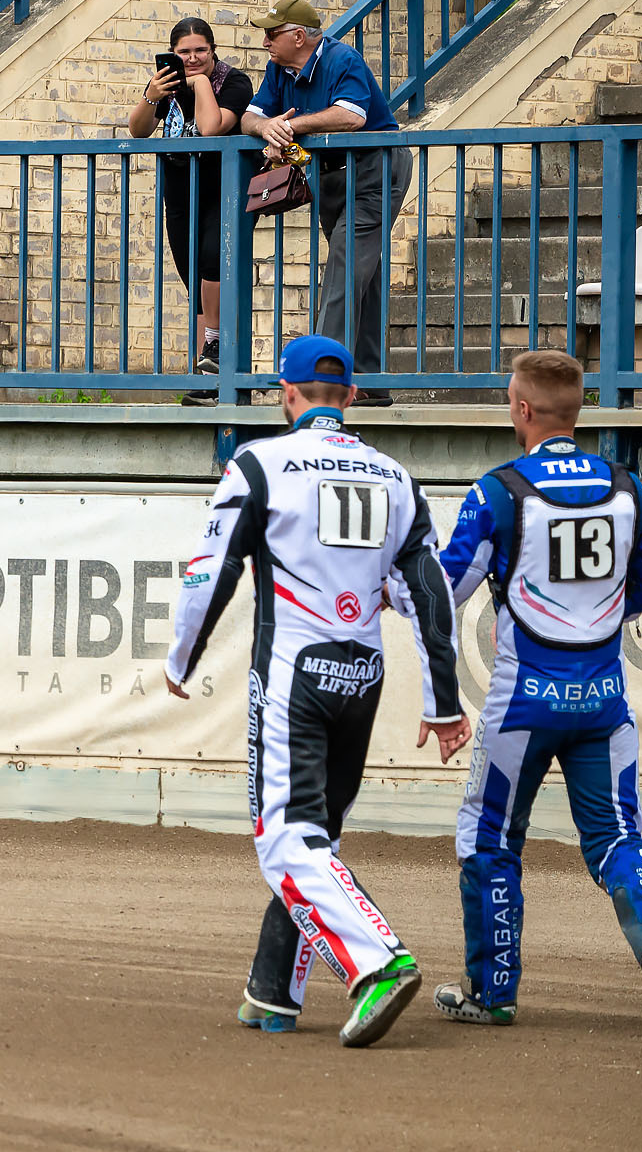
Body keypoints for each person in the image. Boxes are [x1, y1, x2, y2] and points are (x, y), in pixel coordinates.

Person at [163, 333, 470, 1047]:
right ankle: (274, 991)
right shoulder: (394, 475)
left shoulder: (260, 462)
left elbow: (212, 571)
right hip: (364, 674)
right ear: (353, 395)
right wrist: (443, 701)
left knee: (284, 838)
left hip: (295, 672)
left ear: (286, 394)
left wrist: (182, 657)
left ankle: (378, 962)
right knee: (317, 835)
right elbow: (428, 590)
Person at [432, 349, 642, 1035]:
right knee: (617, 835)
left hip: (523, 703)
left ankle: (491, 991)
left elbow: (446, 588)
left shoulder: (498, 489)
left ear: (522, 409)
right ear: (578, 410)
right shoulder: (625, 486)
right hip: (604, 699)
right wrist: (592, 611)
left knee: (489, 837)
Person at [239, 0, 409, 400]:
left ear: (299, 36)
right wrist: (267, 128)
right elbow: (248, 116)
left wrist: (290, 127)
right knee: (361, 276)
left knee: (345, 268)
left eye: (271, 34)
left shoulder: (340, 58)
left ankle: (320, 385)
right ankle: (369, 382)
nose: (265, 42)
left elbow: (351, 115)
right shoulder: (278, 68)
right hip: (332, 176)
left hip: (374, 169)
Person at [127, 17, 251, 404]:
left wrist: (197, 83)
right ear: (173, 53)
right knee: (195, 281)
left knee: (214, 264)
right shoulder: (167, 85)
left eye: (201, 51)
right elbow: (137, 130)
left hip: (222, 190)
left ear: (213, 51)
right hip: (180, 194)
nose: (193, 58)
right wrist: (151, 94)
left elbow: (213, 127)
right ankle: (208, 380)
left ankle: (214, 351)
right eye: (185, 52)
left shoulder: (234, 82)